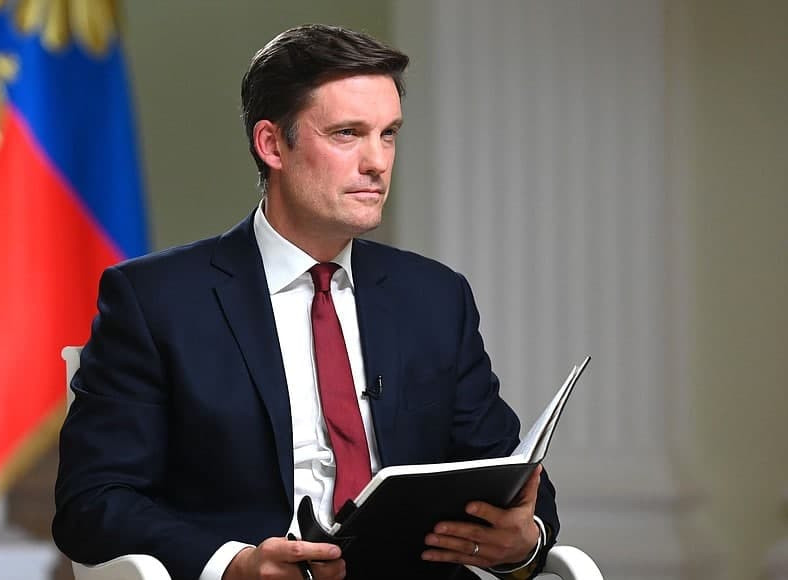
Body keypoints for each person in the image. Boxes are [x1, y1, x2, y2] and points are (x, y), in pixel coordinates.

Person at [53, 24, 558, 580]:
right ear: (272, 145)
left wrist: (523, 541)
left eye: (388, 134)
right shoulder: (156, 301)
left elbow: (513, 476)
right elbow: (92, 503)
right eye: (347, 134)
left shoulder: (436, 297)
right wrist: (237, 565)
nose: (377, 162)